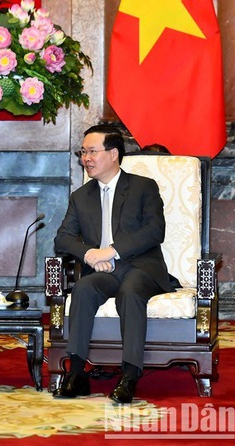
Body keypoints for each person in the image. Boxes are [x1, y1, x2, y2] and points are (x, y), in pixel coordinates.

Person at [52, 125, 174, 404]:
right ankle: (78, 372)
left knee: (130, 292)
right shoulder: (81, 197)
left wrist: (111, 251)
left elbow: (155, 231)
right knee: (83, 288)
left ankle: (130, 374)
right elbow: (63, 239)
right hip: (104, 271)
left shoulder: (143, 187)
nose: (86, 158)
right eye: (83, 152)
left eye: (92, 151)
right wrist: (91, 254)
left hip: (141, 268)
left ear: (114, 153)